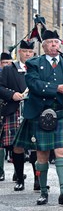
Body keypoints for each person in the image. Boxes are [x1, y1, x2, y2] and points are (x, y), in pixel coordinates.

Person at [13, 30, 63, 206]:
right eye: (50, 42)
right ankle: (43, 192)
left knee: (62, 151)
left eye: (56, 42)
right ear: (44, 46)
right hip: (41, 113)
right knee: (42, 154)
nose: (54, 45)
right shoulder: (35, 63)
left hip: (62, 112)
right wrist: (58, 88)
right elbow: (34, 84)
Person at [0, 40, 38, 191]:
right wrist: (12, 94)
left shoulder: (39, 69)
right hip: (15, 110)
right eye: (24, 51)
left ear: (33, 53)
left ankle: (38, 180)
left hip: (35, 110)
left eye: (30, 52)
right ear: (19, 52)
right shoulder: (9, 69)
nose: (27, 54)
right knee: (17, 146)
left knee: (37, 147)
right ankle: (20, 178)